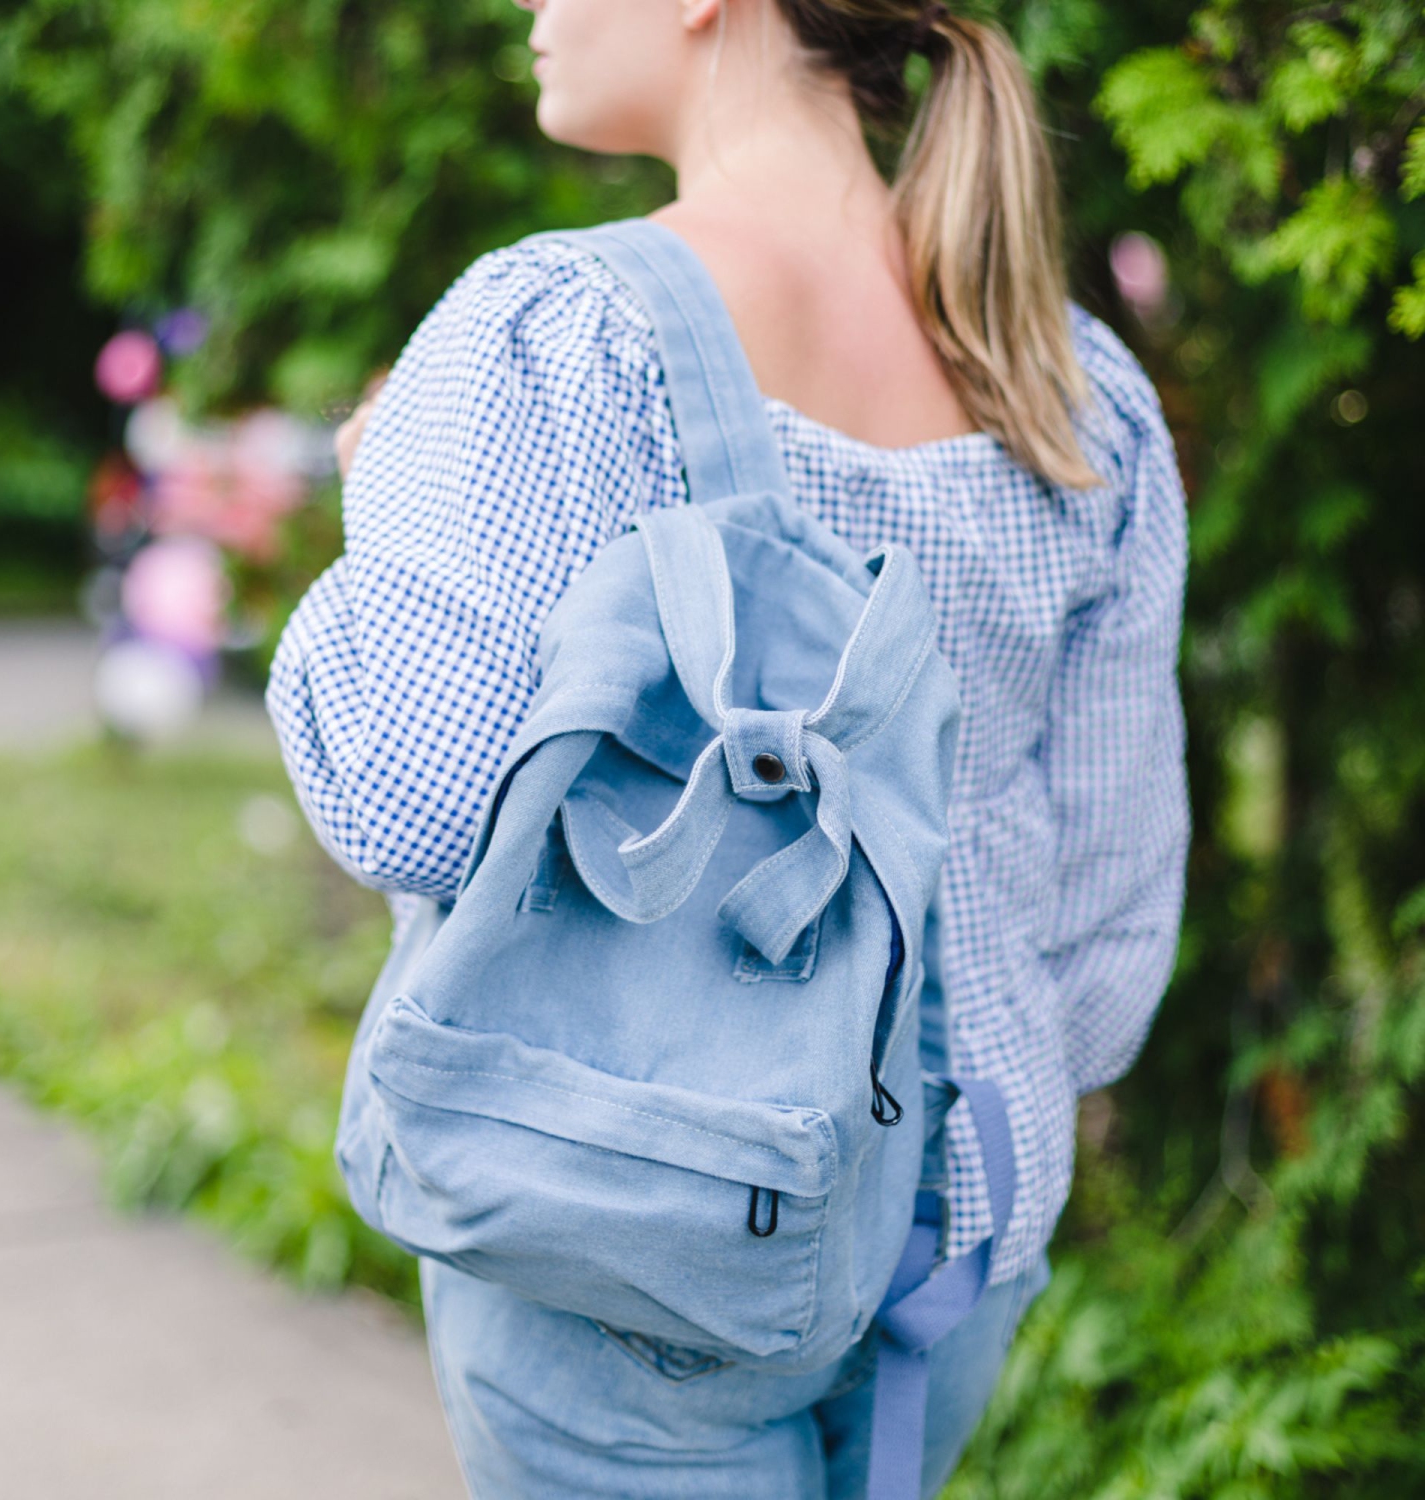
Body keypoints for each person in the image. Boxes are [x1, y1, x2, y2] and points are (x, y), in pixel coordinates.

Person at [266, 0, 1190, 1493]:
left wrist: (382, 499)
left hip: (623, 1208)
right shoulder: (1083, 393)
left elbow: (409, 798)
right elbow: (1107, 925)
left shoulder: (555, 335)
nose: (531, 6)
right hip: (957, 1218)